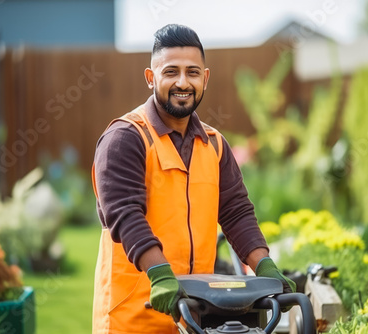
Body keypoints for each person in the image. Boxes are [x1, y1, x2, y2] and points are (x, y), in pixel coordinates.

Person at [91, 24, 295, 334]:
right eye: (171, 72)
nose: (182, 82)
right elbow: (125, 215)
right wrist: (160, 275)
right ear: (151, 77)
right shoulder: (125, 138)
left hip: (196, 315)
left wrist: (265, 267)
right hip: (132, 317)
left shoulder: (214, 145)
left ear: (205, 78)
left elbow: (236, 212)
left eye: (192, 72)